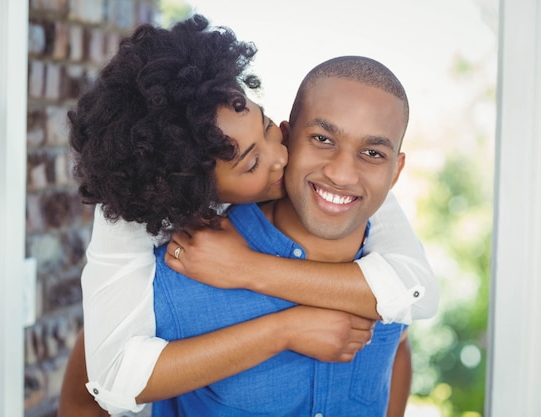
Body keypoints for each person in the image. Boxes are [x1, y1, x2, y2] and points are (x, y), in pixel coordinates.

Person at [61, 15, 438, 417]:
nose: (280, 156)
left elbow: (405, 322)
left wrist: (249, 269)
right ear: (198, 186)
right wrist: (283, 330)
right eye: (251, 162)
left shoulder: (377, 244)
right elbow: (101, 385)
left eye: (266, 127)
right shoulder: (167, 274)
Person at [149, 54, 414, 416]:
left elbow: (398, 347)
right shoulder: (185, 265)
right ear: (287, 139)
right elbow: (95, 392)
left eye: (372, 152)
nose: (342, 174)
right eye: (323, 138)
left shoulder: (396, 271)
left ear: (395, 171)